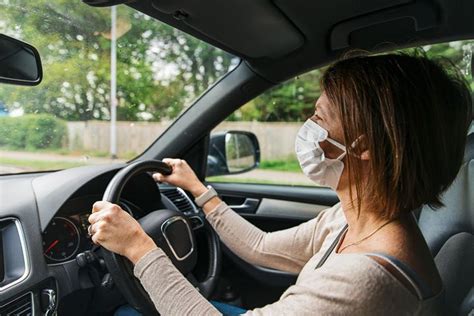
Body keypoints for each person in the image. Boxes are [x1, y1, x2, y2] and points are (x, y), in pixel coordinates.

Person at [88, 51, 472, 315]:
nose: (307, 127)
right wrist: (199, 191)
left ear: (363, 146)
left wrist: (138, 247)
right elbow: (262, 247)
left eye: (319, 118)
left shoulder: (366, 280)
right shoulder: (355, 218)